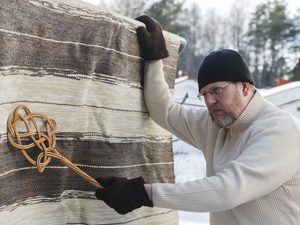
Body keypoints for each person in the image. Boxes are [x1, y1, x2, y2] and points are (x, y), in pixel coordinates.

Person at [95, 15, 300, 225]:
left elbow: (227, 191)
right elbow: (164, 111)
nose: (210, 101)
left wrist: (142, 194)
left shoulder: (279, 130)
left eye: (217, 90)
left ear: (245, 87)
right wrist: (154, 60)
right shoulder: (217, 125)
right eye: (204, 94)